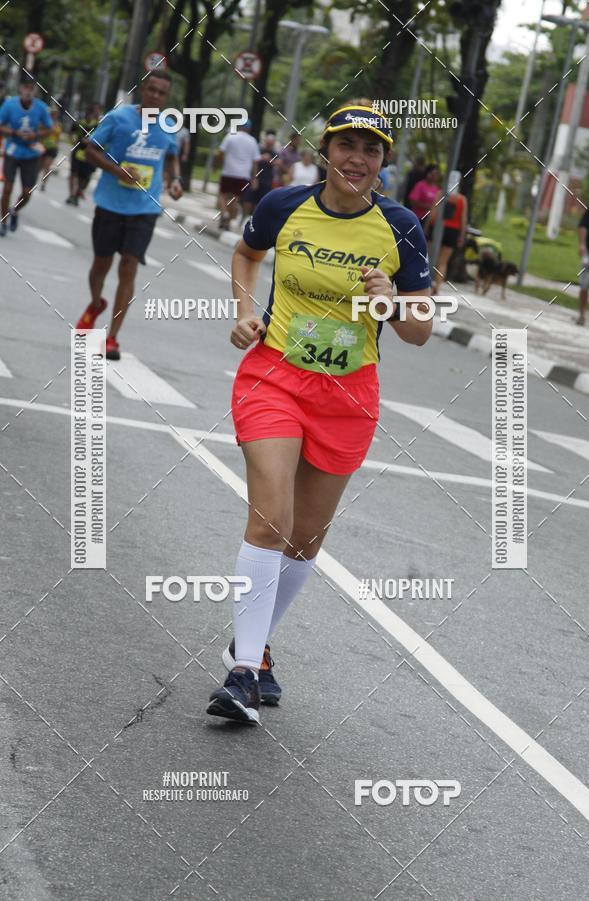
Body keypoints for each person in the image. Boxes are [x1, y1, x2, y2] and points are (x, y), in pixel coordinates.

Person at [206, 103, 433, 724]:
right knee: (271, 521)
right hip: (274, 376)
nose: (357, 158)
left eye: (371, 149)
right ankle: (245, 673)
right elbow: (248, 253)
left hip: (348, 395)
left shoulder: (401, 226)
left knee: (305, 539)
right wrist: (244, 310)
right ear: (325, 150)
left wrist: (391, 302)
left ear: (383, 162)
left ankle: (250, 646)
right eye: (346, 145)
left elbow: (420, 330)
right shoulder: (283, 205)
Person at [74, 71, 182, 360]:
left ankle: (112, 338)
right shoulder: (119, 117)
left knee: (129, 266)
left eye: (161, 93)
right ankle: (96, 303)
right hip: (110, 203)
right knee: (101, 264)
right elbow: (90, 151)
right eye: (151, 90)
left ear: (166, 98)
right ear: (142, 90)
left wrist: (175, 180)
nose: (155, 96)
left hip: (145, 208)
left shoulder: (169, 125)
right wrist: (116, 170)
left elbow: (171, 155)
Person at [0, 79, 52, 236]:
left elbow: (50, 128)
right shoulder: (10, 105)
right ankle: (3, 221)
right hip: (13, 150)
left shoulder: (41, 107)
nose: (28, 92)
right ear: (20, 89)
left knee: (27, 192)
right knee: (7, 187)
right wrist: (14, 133)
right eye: (25, 88)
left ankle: (14, 210)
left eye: (31, 89)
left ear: (35, 91)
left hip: (31, 152)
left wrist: (36, 135)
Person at [216, 121, 260, 230]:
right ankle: (228, 222)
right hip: (243, 175)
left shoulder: (230, 136)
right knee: (235, 198)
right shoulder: (252, 141)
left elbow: (221, 151)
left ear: (239, 127)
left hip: (228, 172)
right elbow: (255, 161)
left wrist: (220, 163)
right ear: (249, 129)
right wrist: (254, 178)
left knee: (223, 195)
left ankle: (224, 214)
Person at [430, 170, 468, 293]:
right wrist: (462, 236)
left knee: (430, 257)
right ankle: (438, 286)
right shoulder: (462, 199)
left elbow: (433, 213)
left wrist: (426, 228)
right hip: (453, 231)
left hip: (438, 227)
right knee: (443, 261)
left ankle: (427, 283)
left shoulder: (440, 194)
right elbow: (463, 219)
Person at [66, 103, 101, 205]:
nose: (92, 115)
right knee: (73, 173)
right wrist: (72, 142)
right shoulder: (79, 123)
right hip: (78, 151)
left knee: (85, 177)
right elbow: (70, 132)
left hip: (90, 153)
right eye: (91, 113)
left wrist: (92, 143)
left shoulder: (97, 125)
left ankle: (78, 192)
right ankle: (72, 195)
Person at [244, 129, 279, 216]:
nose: (269, 144)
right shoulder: (258, 149)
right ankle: (244, 216)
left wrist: (271, 161)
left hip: (267, 180)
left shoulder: (275, 153)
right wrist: (261, 158)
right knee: (248, 199)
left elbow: (279, 163)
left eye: (271, 143)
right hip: (255, 178)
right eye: (268, 142)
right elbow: (252, 160)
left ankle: (253, 217)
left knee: (260, 201)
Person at [40, 108, 62, 189]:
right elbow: (40, 133)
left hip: (52, 147)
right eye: (54, 114)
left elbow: (58, 137)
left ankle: (44, 184)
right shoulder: (45, 123)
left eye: (57, 115)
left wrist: (57, 145)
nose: (55, 116)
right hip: (43, 146)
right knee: (40, 166)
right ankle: (32, 182)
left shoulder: (58, 125)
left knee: (47, 166)